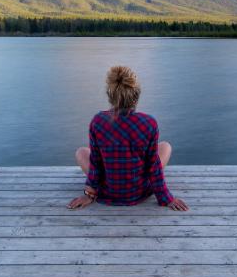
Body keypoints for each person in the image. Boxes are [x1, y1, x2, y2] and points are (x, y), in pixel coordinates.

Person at [67, 66, 189, 211]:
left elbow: (96, 163)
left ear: (110, 95)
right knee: (165, 147)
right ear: (136, 95)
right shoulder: (149, 123)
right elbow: (153, 166)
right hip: (138, 192)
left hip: (108, 191)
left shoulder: (98, 121)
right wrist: (166, 198)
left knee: (81, 152)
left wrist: (89, 194)